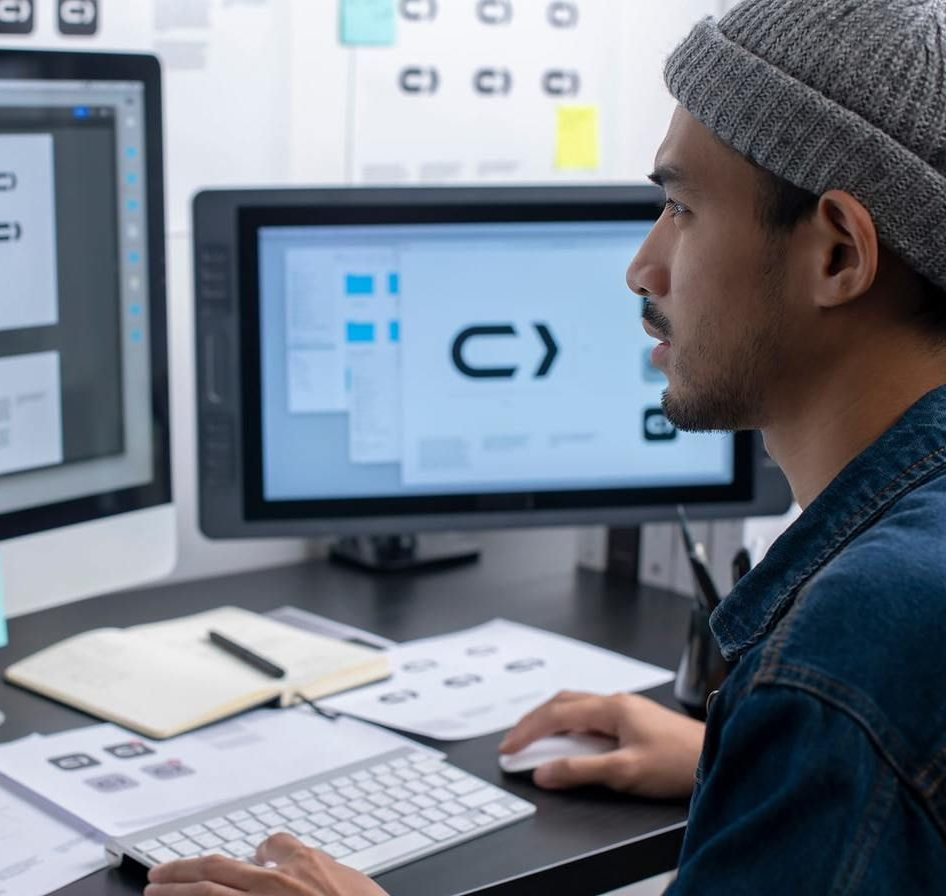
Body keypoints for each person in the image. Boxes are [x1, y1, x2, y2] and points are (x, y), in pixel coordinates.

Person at [146, 0, 946, 891]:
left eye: (682, 208)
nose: (642, 268)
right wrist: (761, 765)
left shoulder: (851, 654)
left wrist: (814, 728)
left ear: (838, 256)